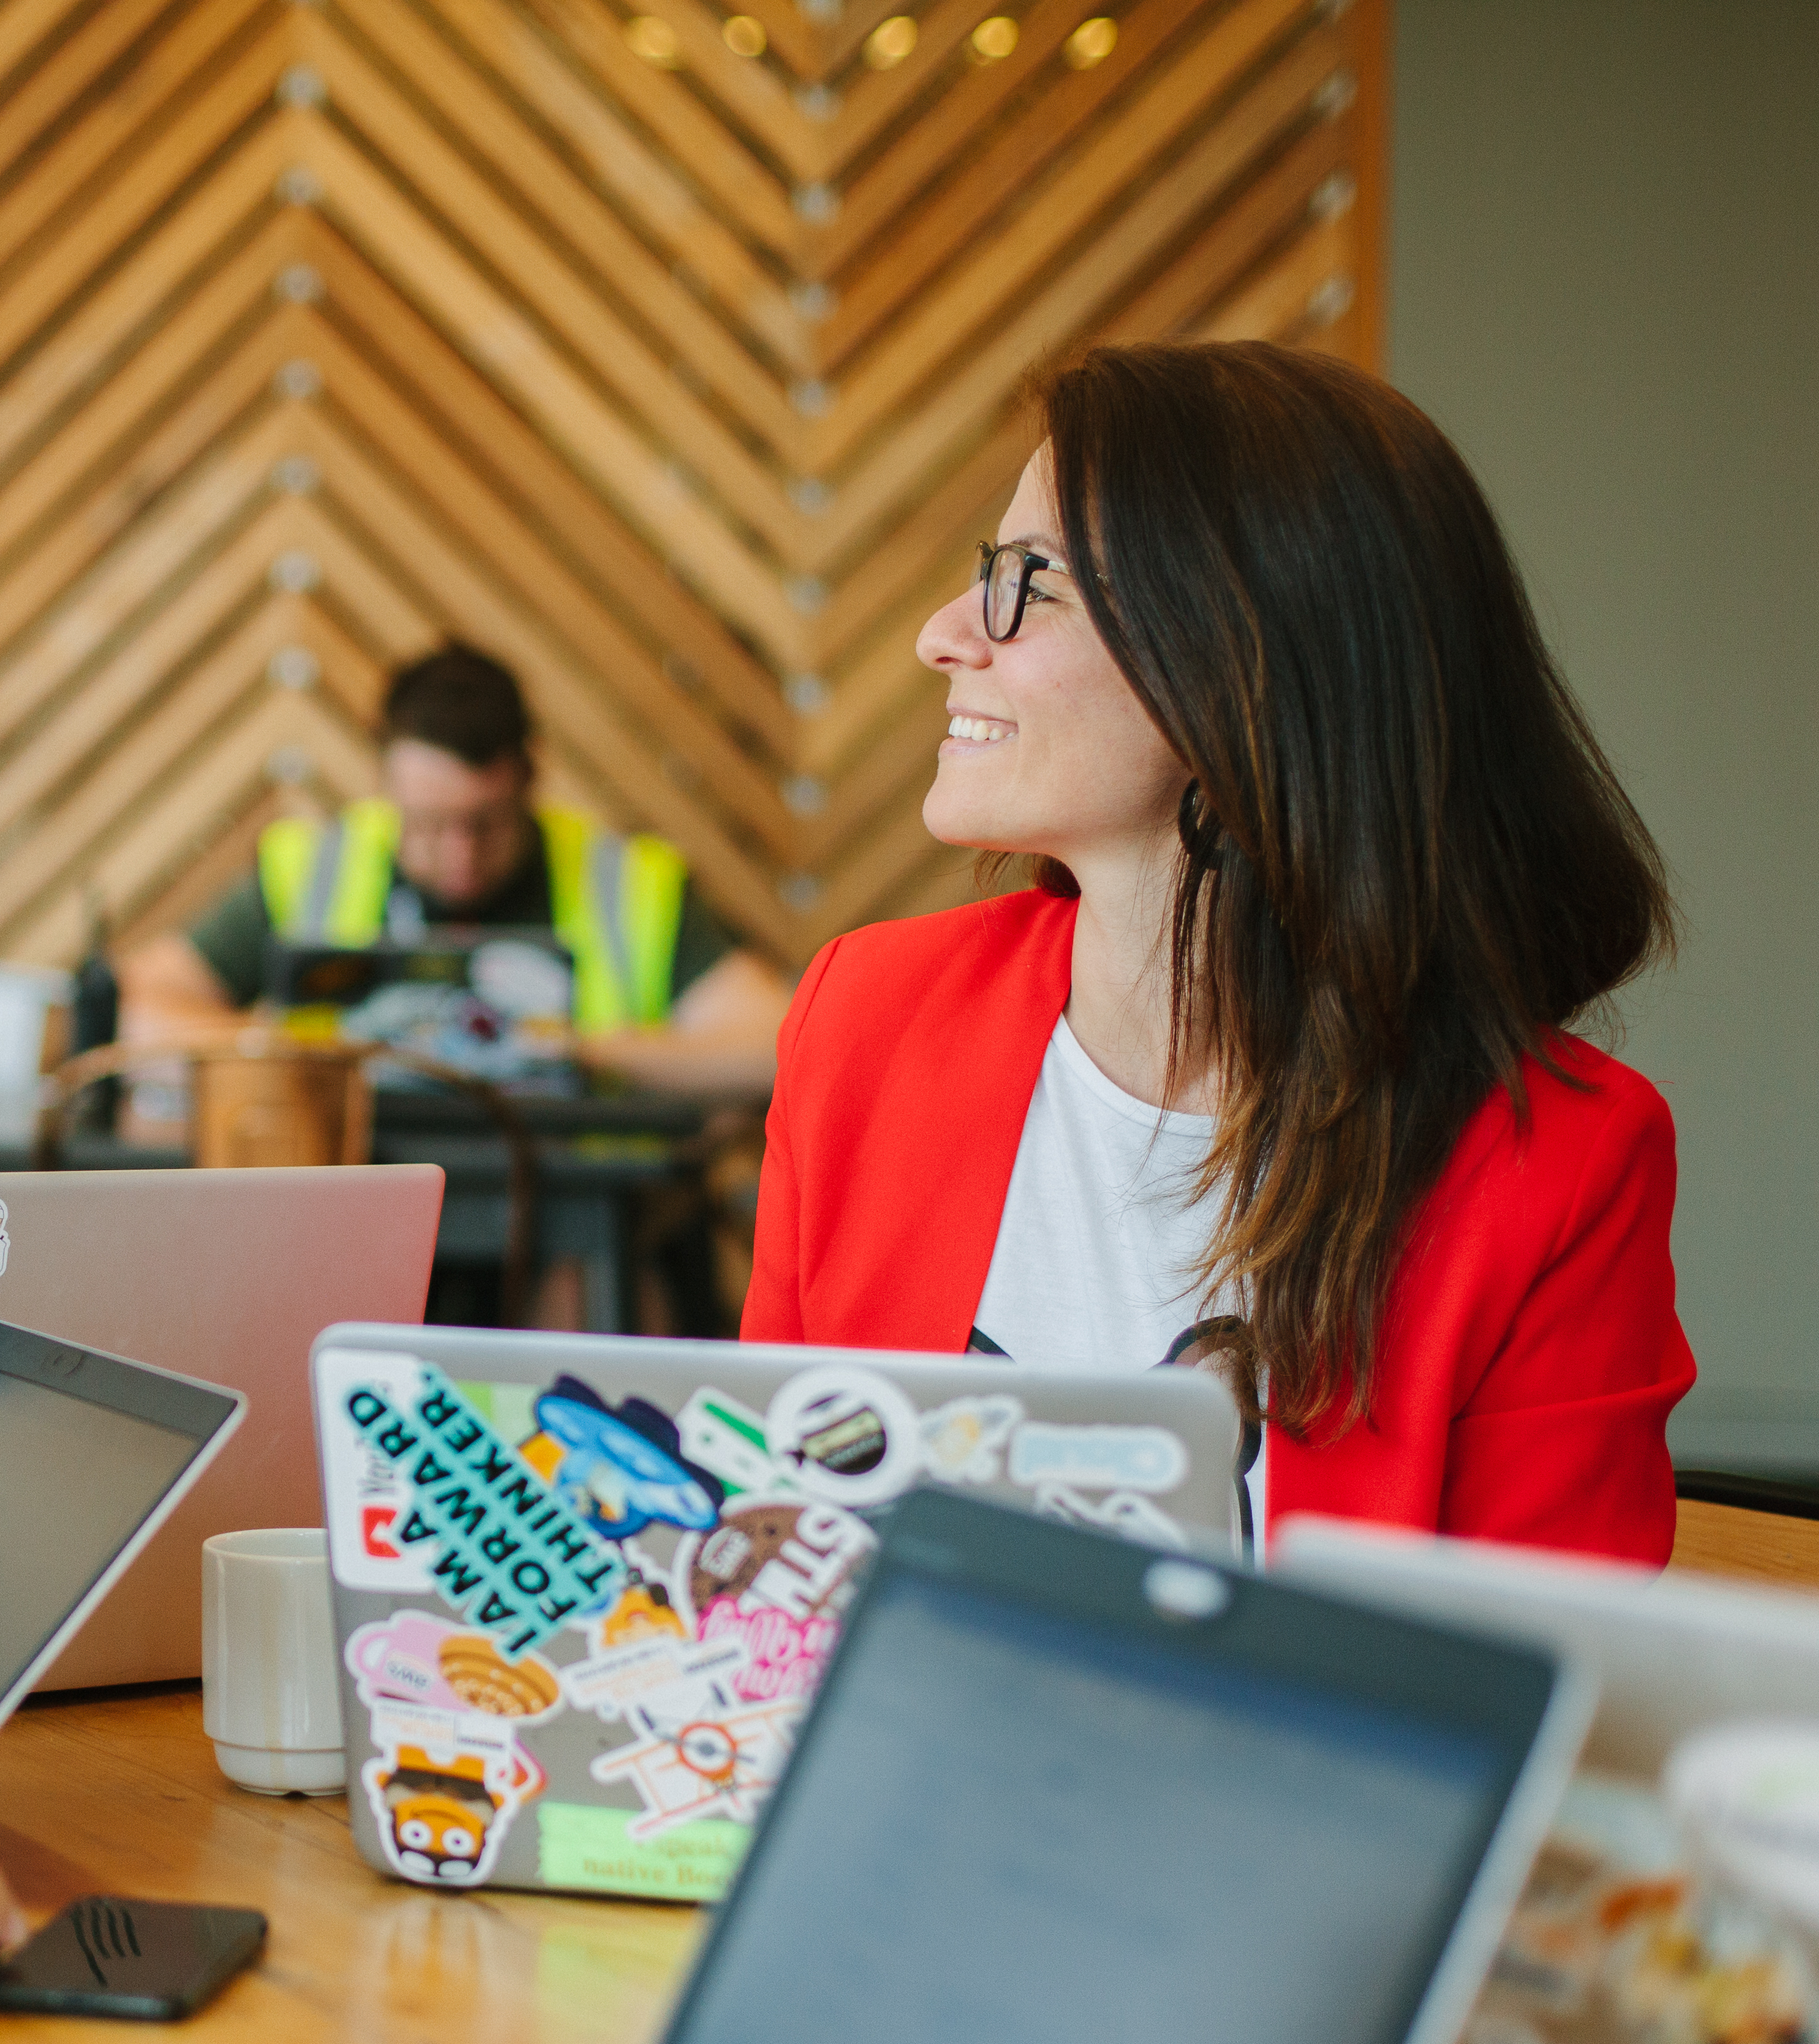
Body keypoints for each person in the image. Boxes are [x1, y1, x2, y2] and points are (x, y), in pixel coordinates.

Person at [744, 341, 1692, 1563]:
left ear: (1237, 671)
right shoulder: (868, 1018)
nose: (941, 635)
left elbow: (1550, 1694)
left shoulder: (1562, 1163)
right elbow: (767, 1540)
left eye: (1026, 583)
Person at [118, 644, 788, 1093]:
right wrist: (295, 1057)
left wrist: (588, 1053)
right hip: (354, 1196)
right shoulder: (310, 868)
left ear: (530, 781)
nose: (462, 857)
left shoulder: (626, 884)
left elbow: (773, 1045)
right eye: (432, 826)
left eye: (487, 824)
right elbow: (141, 1012)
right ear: (385, 786)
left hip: (564, 1219)